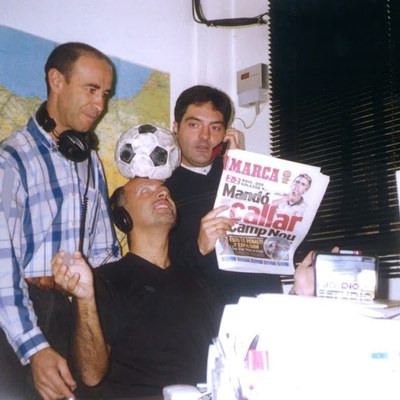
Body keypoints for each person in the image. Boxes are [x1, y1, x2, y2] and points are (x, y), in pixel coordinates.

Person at [0, 42, 120, 400]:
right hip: (24, 318)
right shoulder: (10, 161)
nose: (100, 105)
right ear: (56, 81)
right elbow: (2, 265)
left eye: (105, 94)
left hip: (78, 315)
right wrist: (35, 348)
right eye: (91, 90)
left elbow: (105, 254)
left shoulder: (90, 162)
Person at [52, 178, 233, 398]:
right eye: (145, 191)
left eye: (165, 191)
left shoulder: (198, 282)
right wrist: (84, 298)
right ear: (123, 218)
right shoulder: (103, 281)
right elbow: (91, 375)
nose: (163, 194)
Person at [165, 85, 283, 305]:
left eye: (215, 128)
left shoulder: (242, 171)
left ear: (227, 133)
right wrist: (199, 246)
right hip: (204, 307)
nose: (204, 136)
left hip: (264, 300)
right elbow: (162, 263)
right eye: (194, 125)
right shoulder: (163, 189)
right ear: (176, 127)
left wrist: (241, 167)